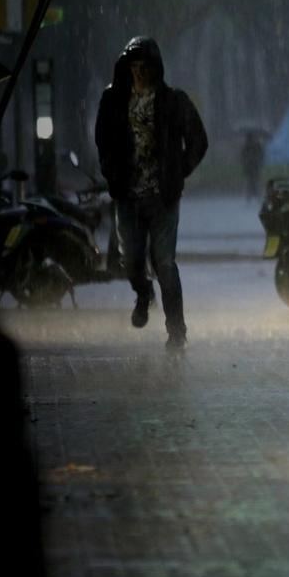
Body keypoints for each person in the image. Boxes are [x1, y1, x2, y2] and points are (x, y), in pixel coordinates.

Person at [95, 36, 208, 351]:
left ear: (156, 69)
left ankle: (176, 331)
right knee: (130, 260)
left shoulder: (173, 102)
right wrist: (113, 173)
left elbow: (198, 140)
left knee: (165, 263)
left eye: (146, 67)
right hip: (127, 197)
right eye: (136, 67)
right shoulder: (113, 101)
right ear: (128, 69)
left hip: (163, 198)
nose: (141, 73)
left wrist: (177, 172)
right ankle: (143, 293)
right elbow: (102, 141)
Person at [239, 130, 265, 202]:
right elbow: (261, 155)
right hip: (253, 167)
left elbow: (243, 157)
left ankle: (251, 197)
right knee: (254, 182)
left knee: (251, 182)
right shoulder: (256, 145)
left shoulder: (248, 146)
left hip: (251, 167)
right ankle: (255, 197)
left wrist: (247, 161)